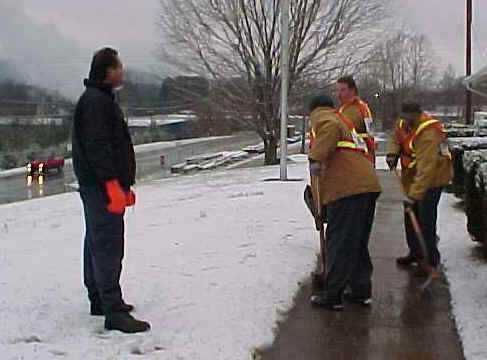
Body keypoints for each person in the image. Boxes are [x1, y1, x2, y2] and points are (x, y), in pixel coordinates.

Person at [72, 47, 150, 333]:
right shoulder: (96, 102)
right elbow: (99, 148)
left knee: (96, 238)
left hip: (100, 186)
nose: (123, 71)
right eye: (119, 66)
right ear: (108, 70)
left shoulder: (99, 99)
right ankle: (113, 310)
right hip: (102, 187)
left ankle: (98, 298)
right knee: (107, 244)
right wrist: (113, 185)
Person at [307, 93, 381, 311]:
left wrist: (317, 157)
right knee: (356, 241)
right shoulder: (345, 121)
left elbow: (327, 131)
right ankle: (360, 290)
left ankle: (333, 295)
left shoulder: (323, 118)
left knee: (339, 242)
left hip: (347, 189)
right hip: (367, 185)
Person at [386, 102, 453, 275]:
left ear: (417, 115)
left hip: (433, 178)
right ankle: (415, 253)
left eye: (409, 119)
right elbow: (396, 138)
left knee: (425, 220)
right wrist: (393, 153)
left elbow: (427, 170)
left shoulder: (428, 133)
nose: (405, 122)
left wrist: (413, 196)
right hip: (412, 176)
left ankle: (430, 260)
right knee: (410, 215)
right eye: (403, 118)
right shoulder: (403, 123)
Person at [336, 76, 376, 165]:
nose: (338, 94)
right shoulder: (342, 109)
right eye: (337, 90)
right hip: (345, 157)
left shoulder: (361, 108)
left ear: (352, 90)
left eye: (342, 90)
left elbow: (369, 133)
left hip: (360, 156)